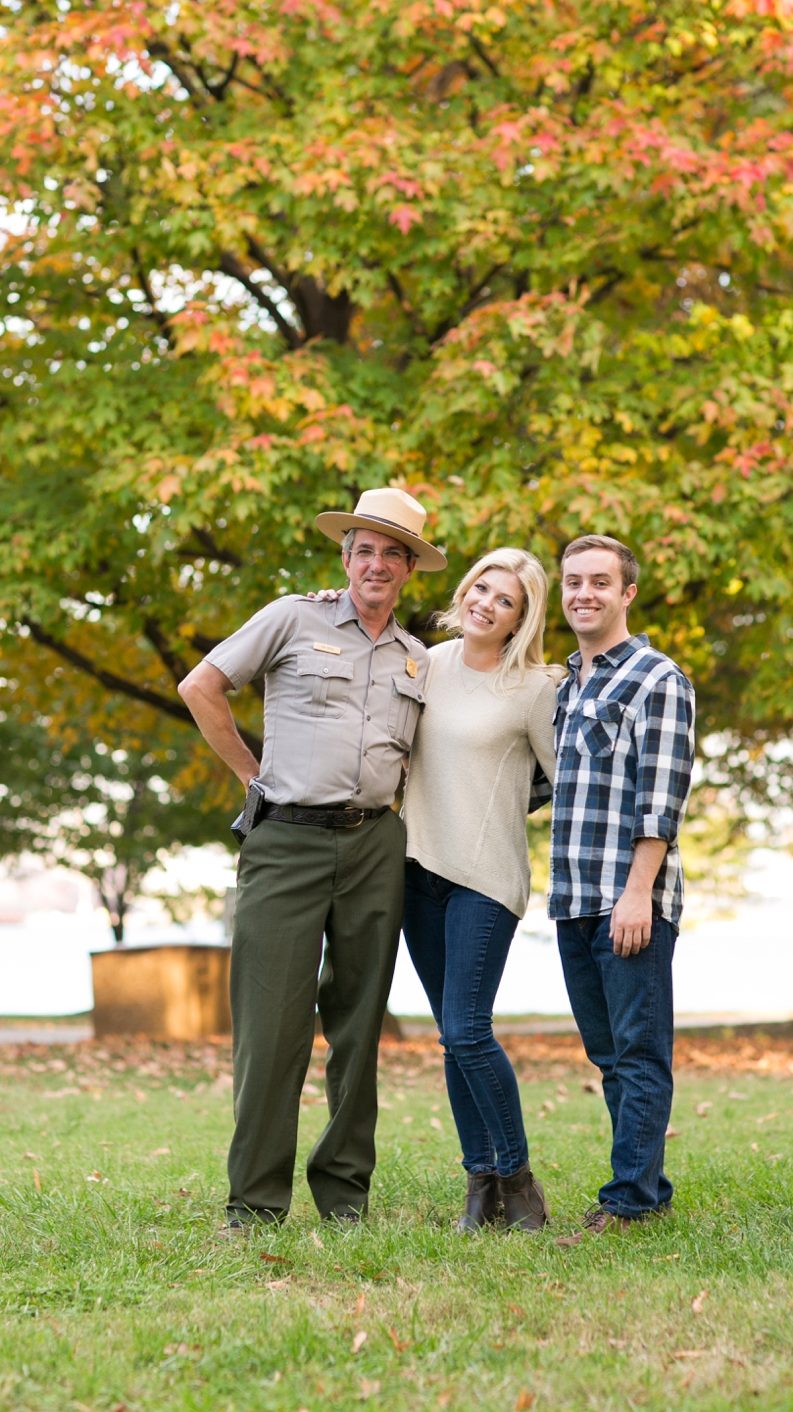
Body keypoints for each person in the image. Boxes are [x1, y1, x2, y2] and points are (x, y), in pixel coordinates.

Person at [178, 488, 444, 1230]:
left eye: (395, 553)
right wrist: (246, 774)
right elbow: (201, 685)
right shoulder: (291, 616)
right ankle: (255, 1203)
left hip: (374, 845)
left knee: (359, 1027)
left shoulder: (419, 660)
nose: (378, 564)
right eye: (366, 549)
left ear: (410, 569)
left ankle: (345, 1197)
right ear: (345, 555)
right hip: (285, 841)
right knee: (273, 1025)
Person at [400, 549, 560, 1234]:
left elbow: (560, 781)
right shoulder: (422, 664)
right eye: (483, 589)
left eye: (508, 602)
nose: (487, 605)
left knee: (469, 1028)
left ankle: (519, 1182)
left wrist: (491, 809)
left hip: (485, 879)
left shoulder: (536, 686)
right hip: (412, 872)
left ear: (522, 620)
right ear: (466, 589)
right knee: (450, 1038)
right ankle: (480, 1185)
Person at [548, 534, 695, 1243]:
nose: (584, 593)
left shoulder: (656, 678)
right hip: (572, 898)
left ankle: (629, 1201)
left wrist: (638, 894)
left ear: (627, 592)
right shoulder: (568, 684)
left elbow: (659, 800)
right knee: (608, 1056)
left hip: (626, 899)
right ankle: (650, 1187)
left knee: (638, 1053)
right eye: (573, 581)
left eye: (600, 582)